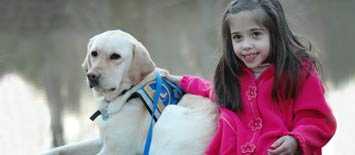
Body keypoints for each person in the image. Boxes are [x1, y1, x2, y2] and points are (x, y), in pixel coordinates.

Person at [167, 0, 336, 154]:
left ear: (274, 34)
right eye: (237, 37)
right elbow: (211, 90)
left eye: (255, 34)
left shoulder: (298, 73)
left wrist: (296, 140)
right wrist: (183, 82)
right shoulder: (232, 78)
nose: (246, 45)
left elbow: (318, 119)